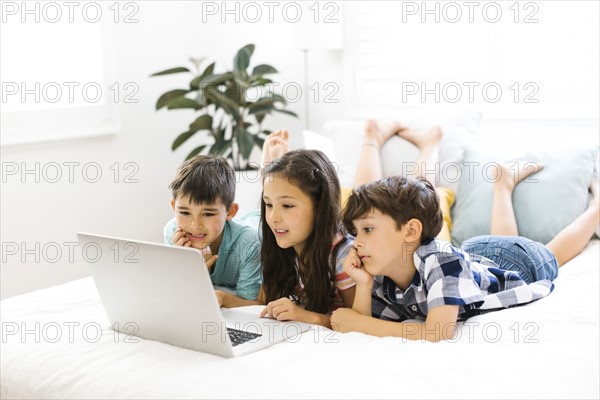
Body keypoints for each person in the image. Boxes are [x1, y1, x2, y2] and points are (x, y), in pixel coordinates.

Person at [330, 164, 600, 342]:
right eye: (355, 232)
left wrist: (360, 325)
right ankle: (502, 186)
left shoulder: (439, 259)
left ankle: (596, 208)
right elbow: (362, 325)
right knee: (503, 245)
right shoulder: (382, 271)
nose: (356, 242)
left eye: (367, 229)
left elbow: (437, 332)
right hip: (473, 254)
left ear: (411, 231)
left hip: (518, 259)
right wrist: (363, 285)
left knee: (551, 255)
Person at [215, 130, 357, 327]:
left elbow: (358, 322)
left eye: (287, 206)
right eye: (269, 205)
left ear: (319, 207)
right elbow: (261, 303)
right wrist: (222, 298)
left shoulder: (343, 255)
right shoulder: (281, 243)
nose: (273, 218)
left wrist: (307, 316)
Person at [163, 155, 261, 300]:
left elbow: (252, 302)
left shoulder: (250, 243)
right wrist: (188, 267)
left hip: (258, 225)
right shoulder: (173, 231)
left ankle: (268, 167)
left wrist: (222, 297)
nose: (195, 225)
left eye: (208, 214)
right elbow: (175, 291)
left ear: (230, 211)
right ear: (173, 207)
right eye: (184, 212)